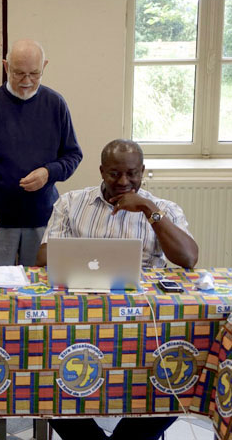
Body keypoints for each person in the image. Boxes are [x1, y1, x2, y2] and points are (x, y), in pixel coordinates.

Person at [37, 139, 198, 440]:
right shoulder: (71, 203)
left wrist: (150, 212)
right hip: (79, 317)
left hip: (145, 322)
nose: (124, 182)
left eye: (132, 174)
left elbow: (188, 259)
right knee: (41, 366)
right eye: (114, 174)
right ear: (101, 171)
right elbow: (43, 258)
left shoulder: (164, 208)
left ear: (142, 172)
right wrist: (83, 253)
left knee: (180, 374)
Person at [0, 39, 82, 267]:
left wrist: (48, 172)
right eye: (18, 74)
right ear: (6, 67)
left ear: (45, 66)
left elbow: (73, 155)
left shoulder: (55, 104)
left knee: (41, 290)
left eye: (34, 74)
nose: (26, 81)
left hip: (42, 218)